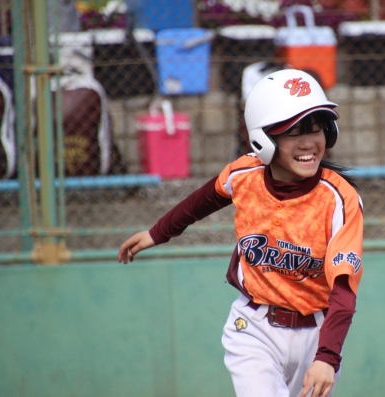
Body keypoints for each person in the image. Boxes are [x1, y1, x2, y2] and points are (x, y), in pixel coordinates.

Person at [118, 69, 364, 397]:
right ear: (264, 138)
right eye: (293, 132)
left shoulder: (340, 199)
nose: (308, 143)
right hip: (254, 329)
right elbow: (203, 199)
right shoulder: (244, 174)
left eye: (316, 128)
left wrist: (327, 357)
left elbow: (344, 290)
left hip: (316, 335)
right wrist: (157, 233)